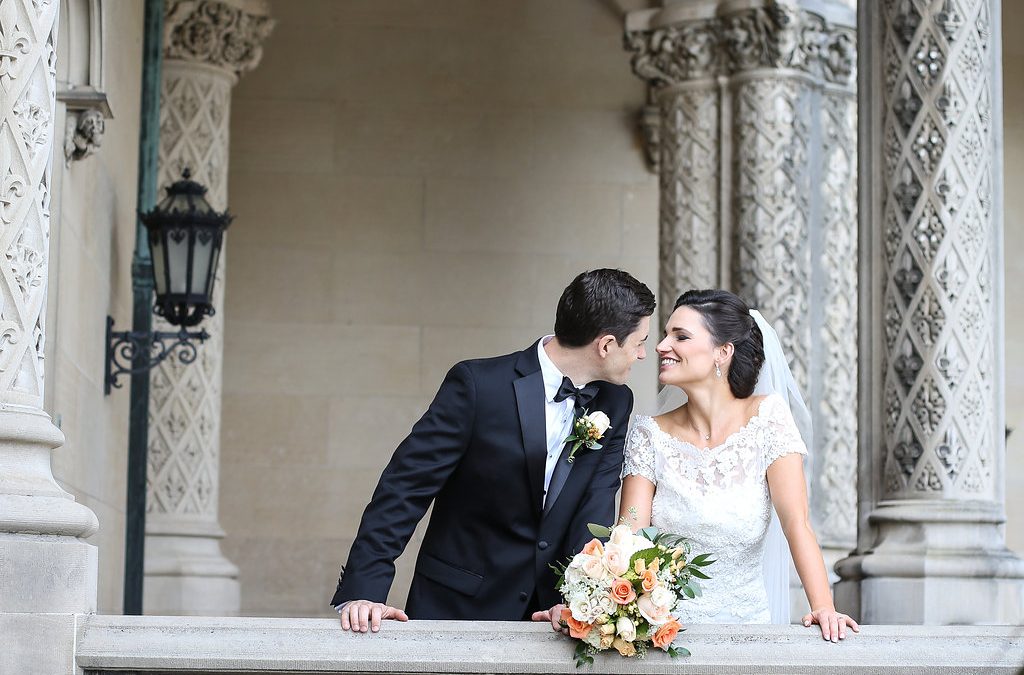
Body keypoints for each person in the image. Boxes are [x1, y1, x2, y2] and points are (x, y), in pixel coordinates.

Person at [332, 269, 656, 632]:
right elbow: (405, 488)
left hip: (548, 622)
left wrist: (579, 598)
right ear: (607, 344)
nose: (643, 354)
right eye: (639, 342)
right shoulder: (478, 385)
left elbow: (594, 505)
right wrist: (364, 589)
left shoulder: (615, 402)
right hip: (455, 608)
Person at [617, 289, 859, 642]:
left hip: (747, 634)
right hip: (665, 638)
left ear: (722, 352)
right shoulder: (648, 434)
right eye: (666, 334)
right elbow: (630, 538)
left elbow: (797, 523)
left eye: (680, 336)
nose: (661, 345)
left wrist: (824, 606)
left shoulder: (768, 419)